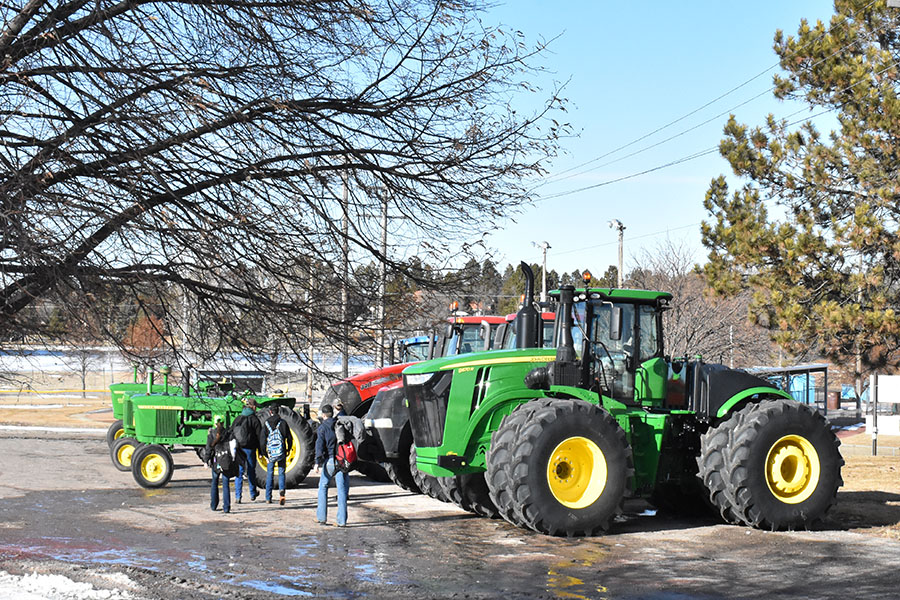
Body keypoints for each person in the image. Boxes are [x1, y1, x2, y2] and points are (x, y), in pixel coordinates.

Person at [315, 404, 349, 526]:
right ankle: (341, 521)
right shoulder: (339, 424)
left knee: (323, 486)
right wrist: (341, 409)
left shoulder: (322, 428)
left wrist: (317, 463)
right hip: (341, 461)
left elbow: (319, 446)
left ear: (323, 415)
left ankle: (321, 518)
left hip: (329, 461)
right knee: (341, 490)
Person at [233, 397, 261, 503]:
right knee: (250, 471)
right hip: (250, 449)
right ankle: (253, 493)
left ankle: (238, 496)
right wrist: (261, 451)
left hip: (239, 449)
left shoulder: (238, 418)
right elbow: (259, 436)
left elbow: (232, 432)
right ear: (253, 407)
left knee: (239, 472)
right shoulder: (255, 419)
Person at [264, 408, 292, 505]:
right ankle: (281, 494)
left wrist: (264, 454)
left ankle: (268, 497)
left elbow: (262, 440)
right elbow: (289, 437)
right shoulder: (283, 423)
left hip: (271, 454)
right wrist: (288, 449)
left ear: (270, 411)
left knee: (270, 474)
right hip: (281, 452)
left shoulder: (266, 423)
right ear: (278, 411)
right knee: (281, 473)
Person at [206, 416, 233, 514]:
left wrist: (206, 460)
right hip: (226, 461)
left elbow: (208, 449)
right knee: (226, 484)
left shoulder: (211, 434)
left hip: (216, 461)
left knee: (214, 482)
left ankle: (214, 505)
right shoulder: (228, 433)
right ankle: (226, 507)